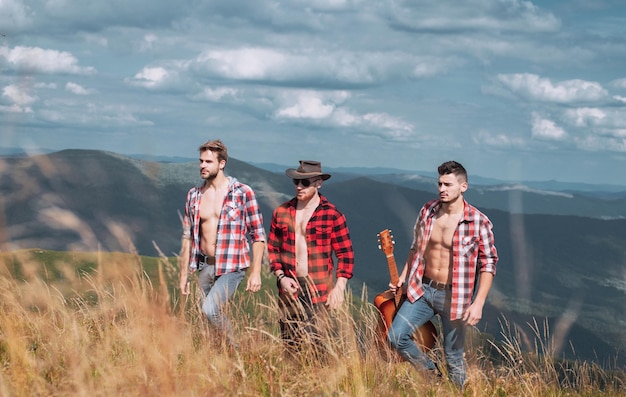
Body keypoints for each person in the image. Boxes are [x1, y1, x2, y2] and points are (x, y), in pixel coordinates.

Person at [387, 160, 498, 388]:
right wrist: (404, 278)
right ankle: (432, 376)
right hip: (422, 289)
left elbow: (488, 264)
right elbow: (416, 247)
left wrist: (478, 304)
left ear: (463, 186)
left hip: (454, 297)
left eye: (447, 184)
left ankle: (458, 393)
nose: (442, 189)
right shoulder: (427, 211)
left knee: (453, 356)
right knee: (396, 337)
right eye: (439, 184)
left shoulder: (479, 221)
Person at [179, 139, 266, 348]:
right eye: (201, 161)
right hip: (205, 265)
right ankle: (219, 360)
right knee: (207, 320)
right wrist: (183, 275)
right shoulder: (194, 196)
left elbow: (258, 234)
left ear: (222, 163)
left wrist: (256, 272)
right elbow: (187, 237)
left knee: (210, 310)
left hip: (231, 266)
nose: (202, 165)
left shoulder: (242, 193)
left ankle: (235, 351)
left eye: (208, 161)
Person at [267, 160, 355, 353]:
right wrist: (281, 278)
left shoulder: (332, 215)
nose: (299, 186)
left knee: (316, 344)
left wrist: (339, 288)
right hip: (289, 288)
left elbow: (345, 254)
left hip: (318, 289)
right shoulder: (281, 212)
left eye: (305, 183)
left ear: (318, 183)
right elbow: (273, 249)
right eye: (296, 182)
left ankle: (321, 380)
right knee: (290, 345)